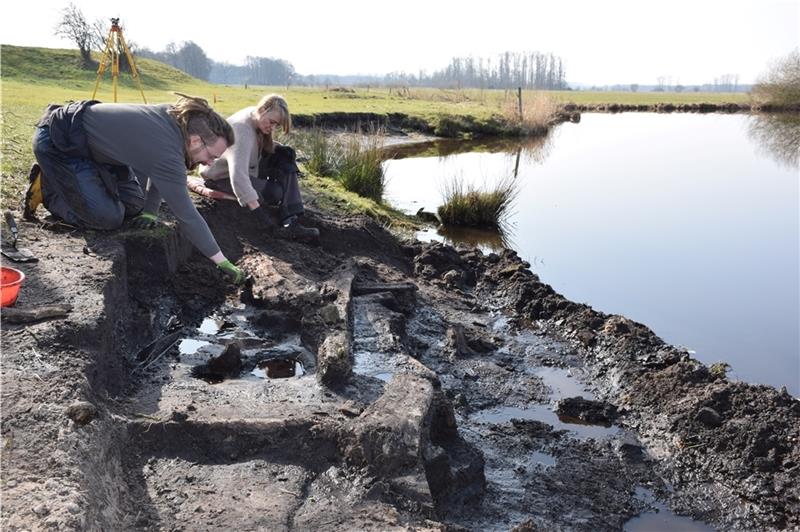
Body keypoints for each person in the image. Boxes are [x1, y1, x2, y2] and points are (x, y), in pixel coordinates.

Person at [26, 94, 246, 283]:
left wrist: (150, 211)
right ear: (196, 141)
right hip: (60, 141)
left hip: (96, 150)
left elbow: (160, 170)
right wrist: (222, 262)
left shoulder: (178, 124)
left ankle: (89, 184)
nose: (209, 163)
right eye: (211, 156)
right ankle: (48, 189)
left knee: (133, 205)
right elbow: (187, 215)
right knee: (107, 218)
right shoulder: (167, 148)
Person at [199, 94, 319, 242]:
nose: (272, 128)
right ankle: (283, 218)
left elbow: (256, 145)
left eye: (276, 125)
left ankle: (291, 220)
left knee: (284, 158)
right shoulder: (241, 131)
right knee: (274, 192)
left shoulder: (255, 115)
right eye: (271, 122)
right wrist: (259, 214)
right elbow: (238, 176)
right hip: (221, 177)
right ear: (262, 110)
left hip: (249, 166)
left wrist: (280, 149)